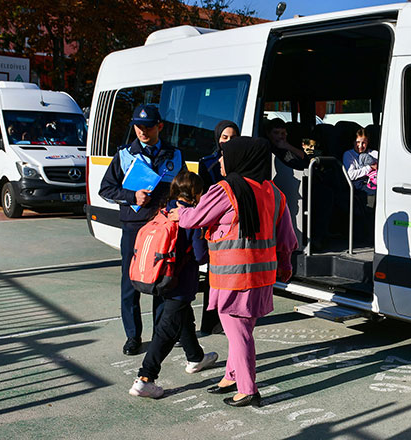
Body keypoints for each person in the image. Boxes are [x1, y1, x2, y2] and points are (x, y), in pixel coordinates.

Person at [170, 136, 297, 407]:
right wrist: (285, 265)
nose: (219, 161)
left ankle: (248, 388)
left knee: (236, 331)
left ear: (240, 158)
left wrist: (178, 213)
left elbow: (193, 219)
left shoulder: (225, 190)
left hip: (233, 275)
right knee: (243, 329)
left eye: (224, 155)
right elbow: (286, 237)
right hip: (262, 276)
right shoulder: (274, 192)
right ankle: (231, 375)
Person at [99, 104, 183, 356]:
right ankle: (133, 336)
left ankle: (161, 333)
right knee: (131, 281)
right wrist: (131, 196)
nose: (142, 131)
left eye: (147, 127)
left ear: (160, 126)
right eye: (138, 126)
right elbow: (106, 189)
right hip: (134, 226)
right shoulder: (125, 155)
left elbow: (183, 188)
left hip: (163, 226)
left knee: (163, 279)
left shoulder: (174, 154)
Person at [129, 171, 218, 398]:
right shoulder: (191, 217)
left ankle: (195, 358)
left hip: (162, 277)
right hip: (181, 282)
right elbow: (200, 257)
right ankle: (146, 378)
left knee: (184, 318)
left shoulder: (165, 210)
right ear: (196, 192)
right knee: (167, 329)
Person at [196, 120, 240, 335]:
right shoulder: (208, 162)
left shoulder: (243, 161)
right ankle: (211, 321)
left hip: (236, 224)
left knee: (232, 275)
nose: (228, 142)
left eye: (233, 138)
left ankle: (229, 317)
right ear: (217, 139)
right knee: (214, 275)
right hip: (216, 224)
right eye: (224, 138)